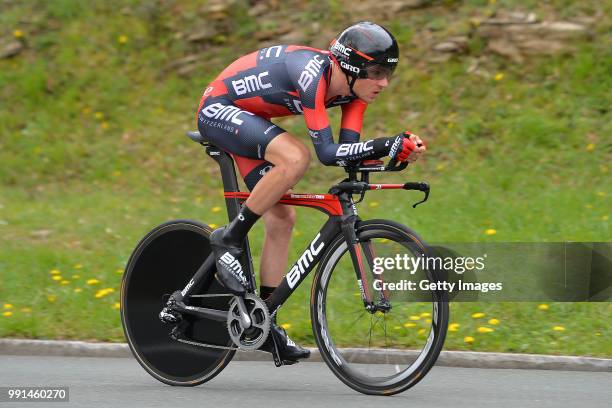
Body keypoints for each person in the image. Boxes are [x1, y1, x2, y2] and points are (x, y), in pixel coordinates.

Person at [196, 21, 426, 364]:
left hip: (247, 117)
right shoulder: (311, 75)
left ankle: (264, 320)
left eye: (389, 73)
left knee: (282, 217)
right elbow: (326, 154)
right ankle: (228, 238)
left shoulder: (354, 92)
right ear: (349, 66)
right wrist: (385, 143)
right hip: (220, 109)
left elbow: (348, 152)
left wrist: (392, 154)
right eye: (376, 72)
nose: (383, 83)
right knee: (296, 156)